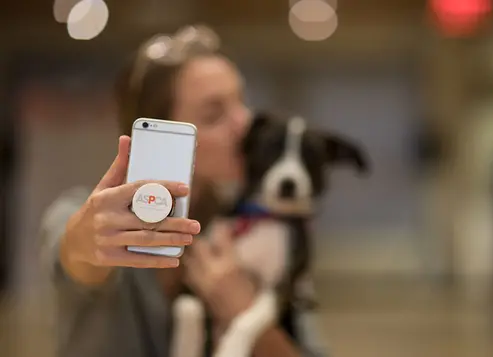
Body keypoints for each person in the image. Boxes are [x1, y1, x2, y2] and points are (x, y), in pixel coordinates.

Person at [41, 25, 327, 357]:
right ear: (161, 136)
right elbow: (74, 252)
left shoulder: (256, 227)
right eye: (214, 114)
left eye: (241, 102)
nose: (244, 124)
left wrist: (247, 313)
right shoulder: (84, 213)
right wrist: (88, 240)